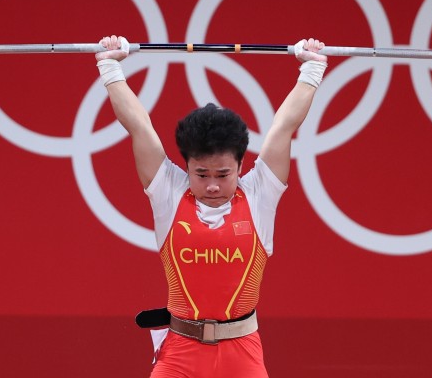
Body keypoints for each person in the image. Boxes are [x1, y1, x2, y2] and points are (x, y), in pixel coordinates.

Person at [94, 35, 328, 377]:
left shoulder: (260, 193)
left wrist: (312, 70)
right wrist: (109, 66)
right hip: (179, 355)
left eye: (223, 173)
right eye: (201, 174)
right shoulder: (169, 192)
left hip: (243, 355)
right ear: (186, 166)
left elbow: (284, 126)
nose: (213, 184)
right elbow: (138, 125)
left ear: (240, 166)